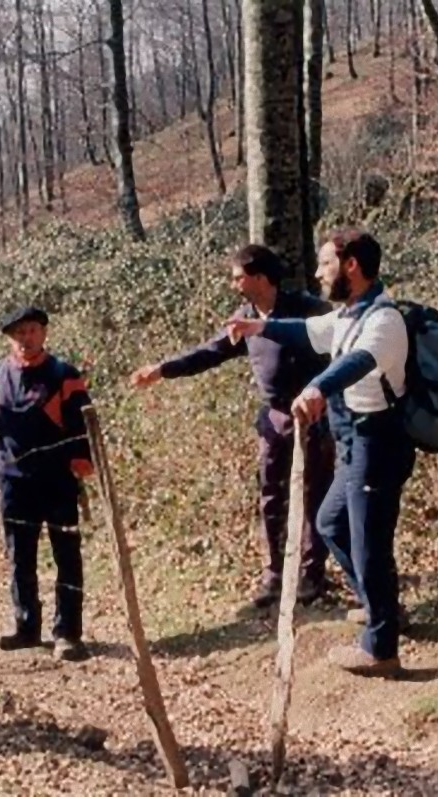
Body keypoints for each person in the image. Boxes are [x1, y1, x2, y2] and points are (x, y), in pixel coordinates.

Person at [227, 229, 412, 677]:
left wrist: (316, 386)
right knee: (331, 523)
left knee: (368, 542)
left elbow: (358, 362)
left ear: (351, 266)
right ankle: (378, 606)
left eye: (325, 263)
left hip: (379, 440)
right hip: (352, 441)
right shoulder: (349, 314)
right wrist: (259, 326)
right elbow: (310, 330)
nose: (317, 272)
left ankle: (381, 648)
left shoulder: (384, 320)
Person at [129, 244, 336, 609]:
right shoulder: (243, 318)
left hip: (315, 416)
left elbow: (340, 347)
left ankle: (312, 574)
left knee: (313, 493)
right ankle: (273, 574)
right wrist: (162, 369)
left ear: (260, 278)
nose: (233, 284)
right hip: (274, 419)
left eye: (239, 277)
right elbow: (209, 352)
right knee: (271, 495)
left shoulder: (308, 310)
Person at [0, 306, 95, 662]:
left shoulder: (64, 374)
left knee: (67, 557)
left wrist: (82, 460)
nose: (25, 339)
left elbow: (82, 423)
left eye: (31, 331)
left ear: (43, 333)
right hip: (12, 479)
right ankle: (27, 627)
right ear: (9, 339)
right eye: (18, 334)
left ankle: (68, 634)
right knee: (19, 557)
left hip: (57, 479)